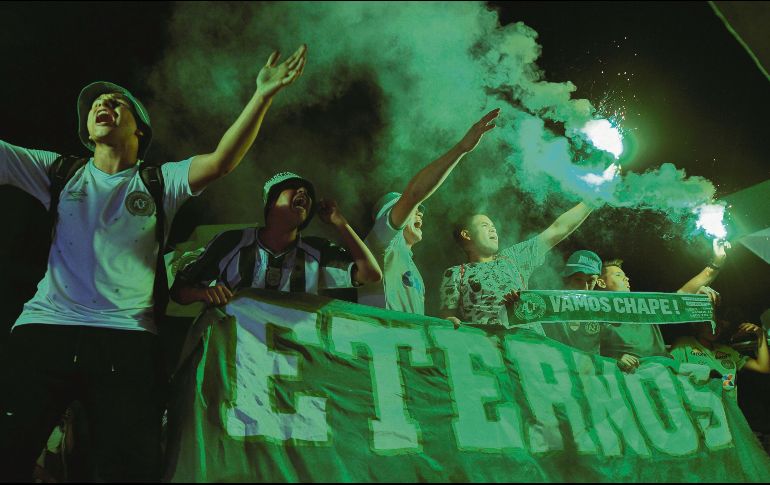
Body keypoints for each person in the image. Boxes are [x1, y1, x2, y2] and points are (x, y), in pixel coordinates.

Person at [0, 45, 307, 481]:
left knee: (127, 469)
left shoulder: (161, 181)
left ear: (139, 129)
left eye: (116, 101)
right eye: (95, 106)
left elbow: (220, 162)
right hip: (45, 330)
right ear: (88, 132)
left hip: (126, 342)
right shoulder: (58, 172)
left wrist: (262, 95)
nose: (103, 105)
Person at [358, 109, 500, 314]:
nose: (419, 213)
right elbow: (414, 194)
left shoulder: (412, 269)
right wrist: (461, 149)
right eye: (412, 210)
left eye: (418, 210)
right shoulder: (381, 244)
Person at [170, 171, 382, 305]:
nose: (303, 192)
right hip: (236, 362)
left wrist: (339, 222)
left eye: (308, 193)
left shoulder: (317, 250)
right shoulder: (231, 241)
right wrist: (203, 293)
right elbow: (179, 291)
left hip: (286, 365)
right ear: (271, 202)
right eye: (293, 187)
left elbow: (370, 274)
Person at [439, 200, 596, 330]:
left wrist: (595, 198)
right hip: (491, 355)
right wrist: (451, 323)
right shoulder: (455, 273)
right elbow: (447, 318)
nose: (493, 229)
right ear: (466, 234)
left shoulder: (513, 258)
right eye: (485, 225)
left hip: (531, 346)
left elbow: (557, 229)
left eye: (493, 226)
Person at [596, 244, 726, 372]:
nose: (626, 278)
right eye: (618, 275)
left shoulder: (646, 307)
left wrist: (717, 262)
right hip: (628, 378)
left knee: (708, 374)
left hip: (663, 374)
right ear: (601, 283)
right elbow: (584, 354)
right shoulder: (591, 315)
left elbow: (682, 294)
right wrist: (613, 360)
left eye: (624, 275)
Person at [671, 318, 770, 399]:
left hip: (728, 412)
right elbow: (669, 375)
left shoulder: (726, 351)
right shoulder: (684, 344)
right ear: (696, 324)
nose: (715, 328)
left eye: (719, 325)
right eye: (709, 323)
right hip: (699, 412)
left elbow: (763, 367)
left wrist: (760, 335)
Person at [542, 249, 608, 353]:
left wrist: (619, 358)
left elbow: (612, 345)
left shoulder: (602, 310)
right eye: (578, 280)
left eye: (591, 281)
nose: (585, 287)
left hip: (589, 368)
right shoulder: (547, 305)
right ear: (567, 279)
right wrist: (514, 303)